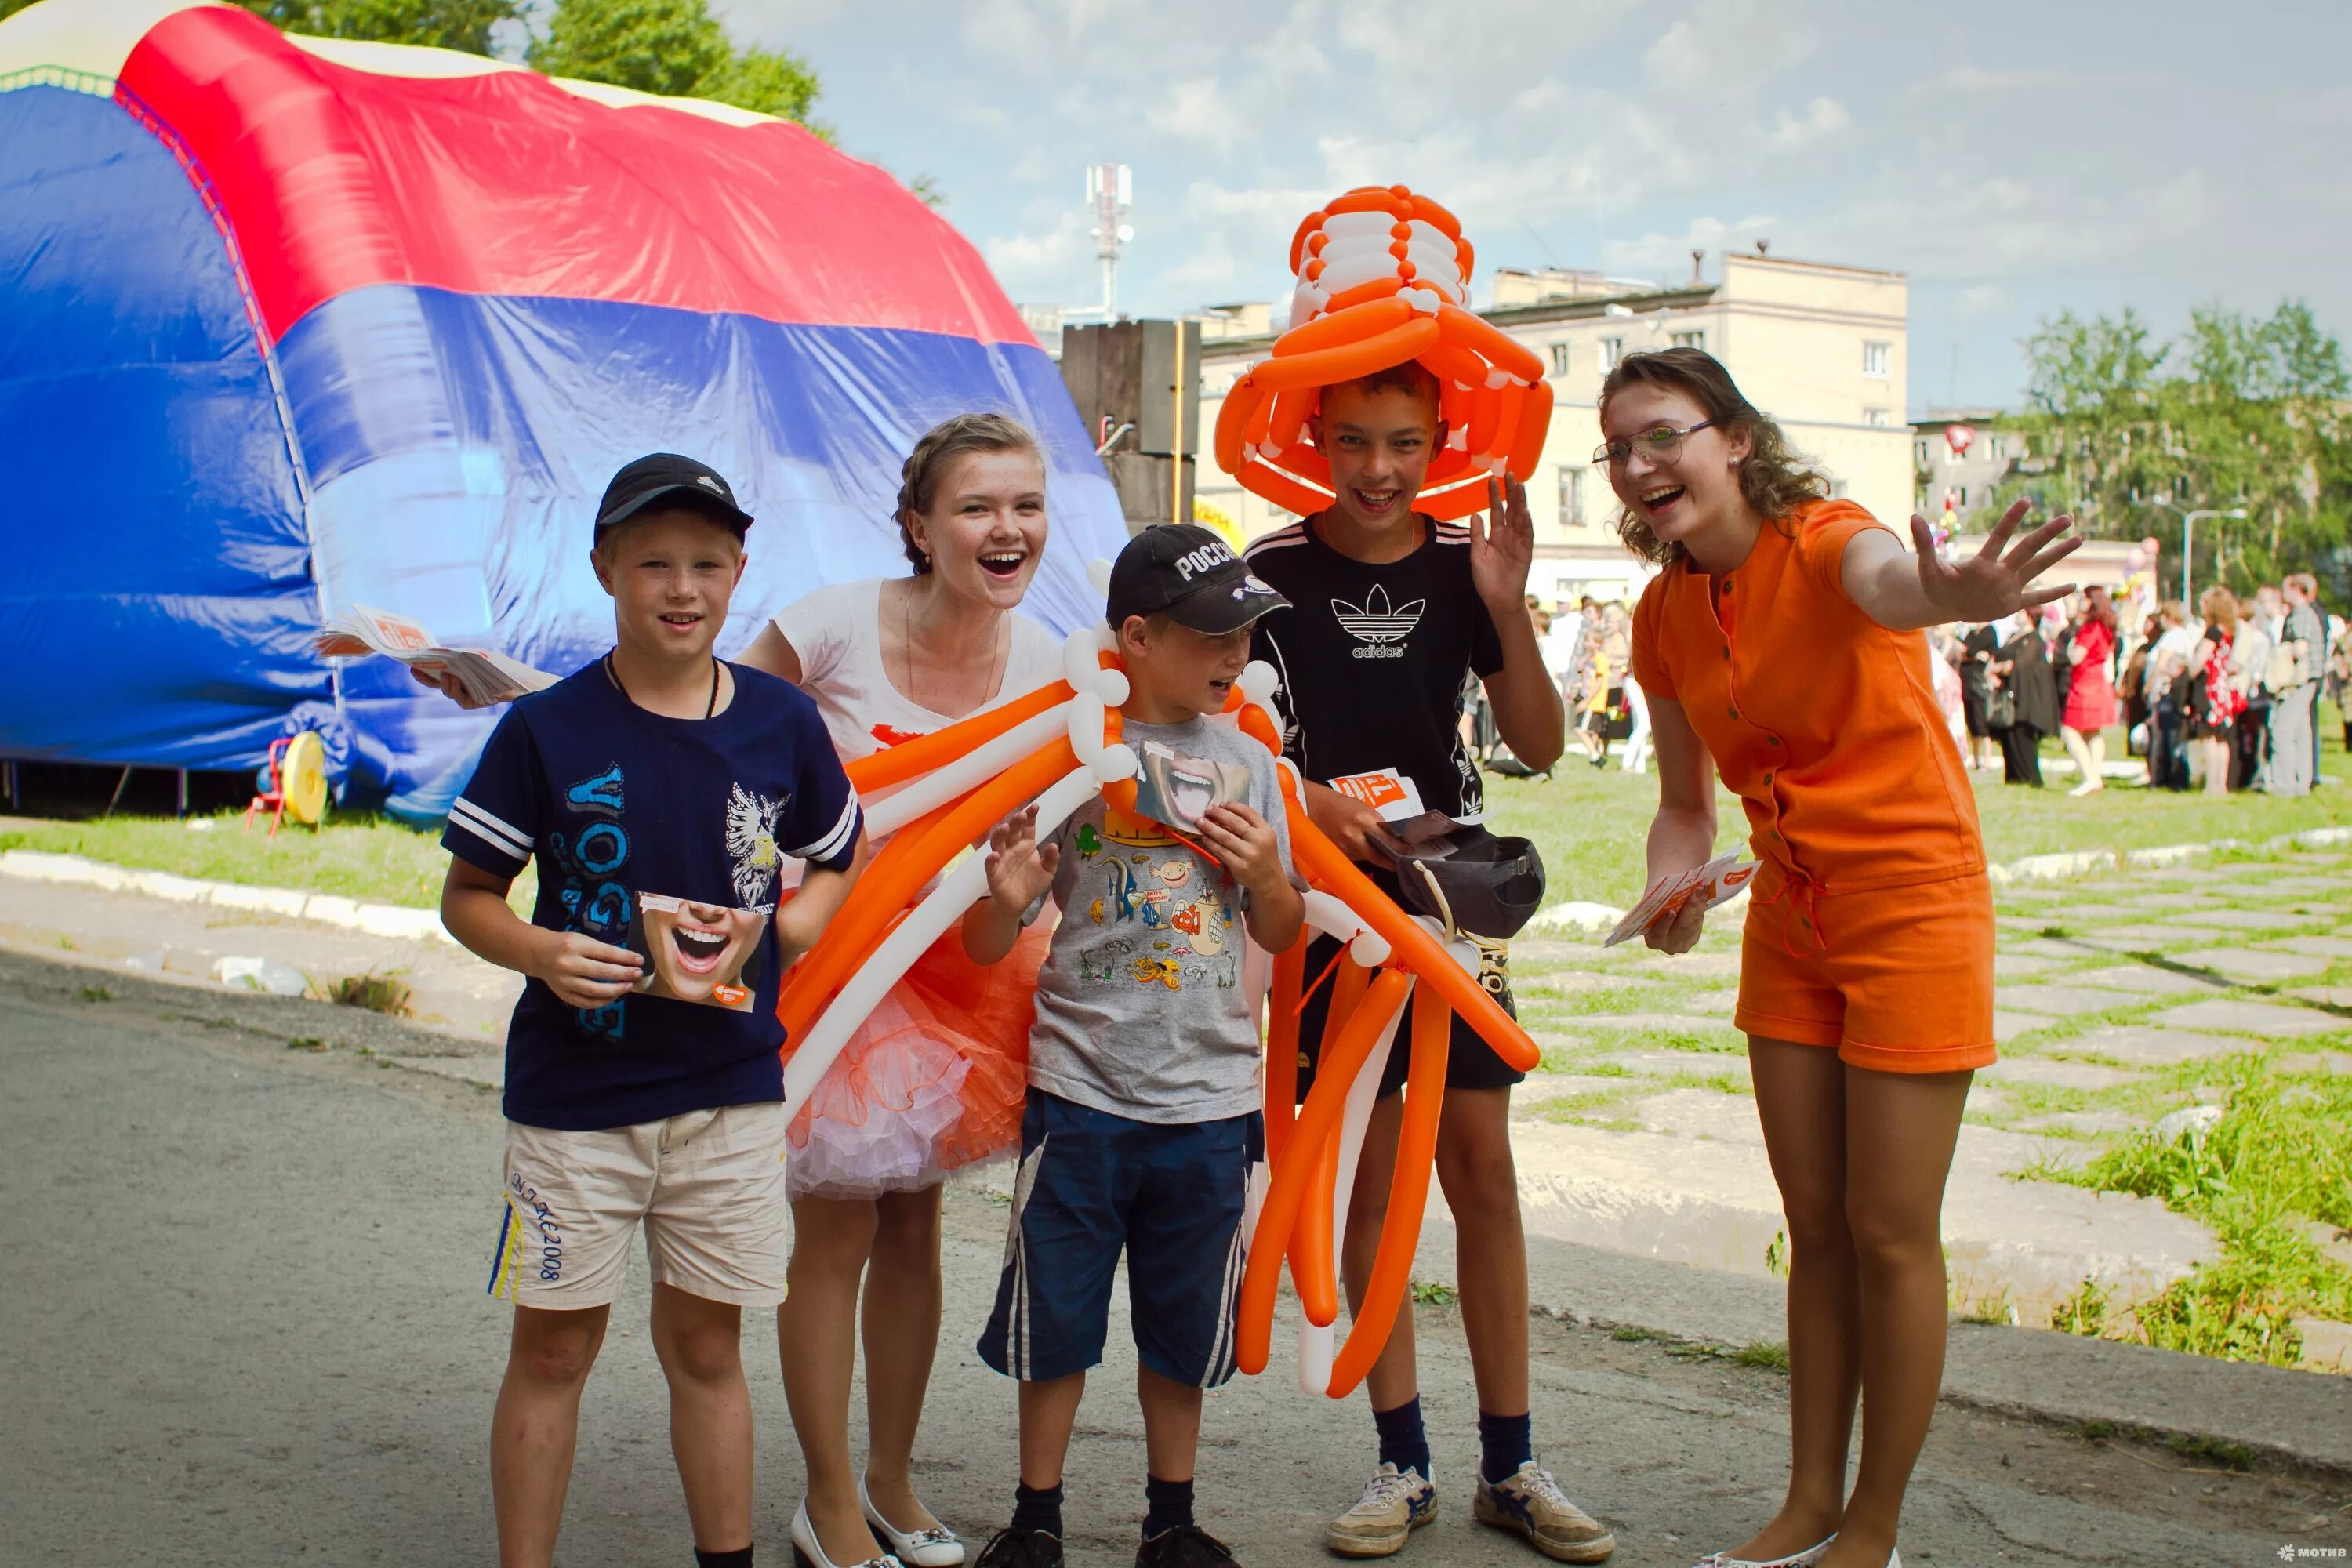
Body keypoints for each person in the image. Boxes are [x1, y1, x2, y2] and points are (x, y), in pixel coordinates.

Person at [1612, 347, 2074, 1568]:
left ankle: (1874, 1528)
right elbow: (1685, 805)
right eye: (1620, 449)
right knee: (1812, 1222)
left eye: (1664, 434)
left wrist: (1957, 593)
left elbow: (1895, 584)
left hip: (1912, 904)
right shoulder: (1662, 615)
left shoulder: (1828, 541)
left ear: (1737, 441)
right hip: (1789, 919)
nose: (1641, 464)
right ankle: (1808, 1503)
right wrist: (1673, 883)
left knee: (1887, 1229)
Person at [438, 455, 866, 1568]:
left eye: (709, 564)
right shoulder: (548, 728)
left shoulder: (781, 721)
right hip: (570, 1108)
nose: (683, 588)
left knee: (709, 1350)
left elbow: (833, 855)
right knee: (549, 1354)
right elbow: (467, 896)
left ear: (737, 574)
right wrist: (542, 954)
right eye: (655, 564)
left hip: (728, 1099)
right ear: (605, 571)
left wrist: (792, 925)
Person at [1245, 366, 1606, 1566]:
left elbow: (1545, 749)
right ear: (1316, 439)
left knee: (1484, 1176)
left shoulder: (1468, 567)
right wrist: (1303, 800)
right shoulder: (1270, 577)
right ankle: (1401, 1460)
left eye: (1405, 443)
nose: (1380, 469)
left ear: (1441, 442)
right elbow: (1222, 737)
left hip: (1452, 915)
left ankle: (1513, 1463)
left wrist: (1508, 606)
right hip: (1333, 919)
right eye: (1354, 441)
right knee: (1374, 1182)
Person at [734, 414, 1065, 1568]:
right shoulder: (830, 624)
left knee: (917, 1220)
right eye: (977, 507)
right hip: (843, 959)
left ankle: (888, 1476)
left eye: (1025, 505)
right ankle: (825, 1499)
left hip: (972, 964)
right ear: (920, 527)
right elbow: (709, 728)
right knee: (838, 1224)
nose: (1006, 528)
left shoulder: (1051, 665)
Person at [961, 524, 1305, 1568]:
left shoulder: (1248, 763)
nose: (1234, 651)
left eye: (1246, 631)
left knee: (1182, 1322)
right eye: (1211, 632)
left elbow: (1284, 932)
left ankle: (1172, 1515)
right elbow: (987, 942)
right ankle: (1036, 1517)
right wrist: (1009, 898)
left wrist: (1265, 878)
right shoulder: (1075, 760)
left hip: (1210, 1100)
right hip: (1082, 1091)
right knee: (1055, 1317)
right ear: (1139, 636)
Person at [2057, 586, 2118, 797]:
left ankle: (2089, 777)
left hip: (2085, 684)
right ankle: (2095, 777)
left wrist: (2070, 646)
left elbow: (2076, 657)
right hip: (2097, 681)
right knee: (2093, 731)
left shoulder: (2091, 628)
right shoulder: (2105, 626)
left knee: (2070, 731)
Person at [2269, 574, 2325, 799]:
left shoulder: (2301, 614)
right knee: (2302, 732)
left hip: (2298, 680)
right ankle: (2302, 783)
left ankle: (2285, 785)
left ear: (2296, 590)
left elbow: (2300, 648)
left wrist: (2278, 656)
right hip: (2308, 679)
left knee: (2283, 731)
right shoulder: (2306, 613)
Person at [2190, 586, 2246, 797]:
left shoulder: (2212, 632)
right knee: (2222, 737)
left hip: (2209, 688)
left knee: (2208, 736)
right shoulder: (2228, 632)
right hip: (2223, 690)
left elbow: (2199, 662)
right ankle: (2220, 784)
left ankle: (2211, 785)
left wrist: (2187, 669)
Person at [1987, 615, 2056, 788]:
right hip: (2007, 693)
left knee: (2023, 738)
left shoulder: (2034, 640)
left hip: (2025, 696)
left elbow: (2019, 665)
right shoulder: (2013, 637)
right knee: (2008, 736)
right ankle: (2013, 776)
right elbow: (1998, 659)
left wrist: (1999, 669)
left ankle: (2029, 777)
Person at [1956, 619, 1999, 770]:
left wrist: (1971, 654)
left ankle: (1986, 760)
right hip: (1966, 680)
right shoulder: (1971, 632)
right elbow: (1964, 652)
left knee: (1982, 721)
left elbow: (1972, 651)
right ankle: (1975, 759)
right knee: (1972, 722)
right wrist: (1973, 655)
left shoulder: (1989, 631)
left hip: (1979, 680)